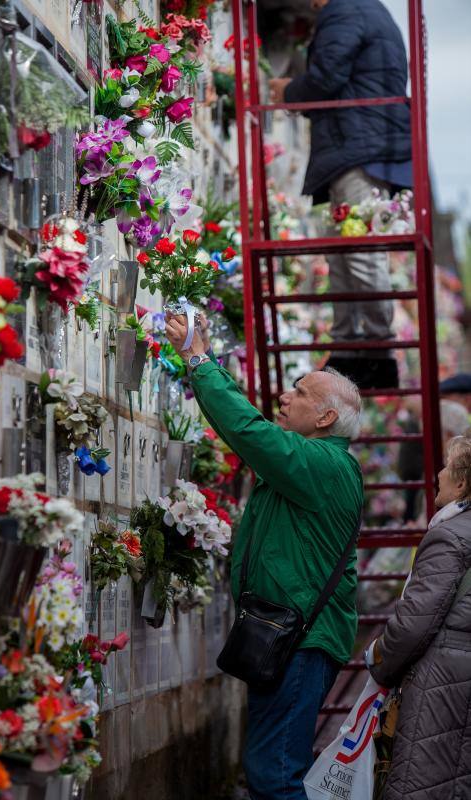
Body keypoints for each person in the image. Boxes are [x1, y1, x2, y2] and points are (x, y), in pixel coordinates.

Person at [165, 314, 364, 800]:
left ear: (325, 419)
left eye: (299, 392)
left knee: (275, 776)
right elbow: (248, 433)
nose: (284, 397)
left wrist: (199, 360)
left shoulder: (323, 463)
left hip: (300, 638)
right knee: (270, 770)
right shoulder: (309, 462)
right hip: (288, 633)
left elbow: (248, 432)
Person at [269, 0, 412, 390]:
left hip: (359, 145)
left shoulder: (346, 10)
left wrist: (287, 90)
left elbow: (327, 76)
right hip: (359, 143)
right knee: (345, 255)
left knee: (362, 253)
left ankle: (379, 352)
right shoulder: (361, 9)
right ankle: (351, 346)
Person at [367, 434, 471, 799]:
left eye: (445, 466)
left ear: (461, 482)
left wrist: (378, 657)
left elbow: (414, 623)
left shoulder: (450, 537)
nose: (437, 475)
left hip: (444, 691)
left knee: (425, 782)